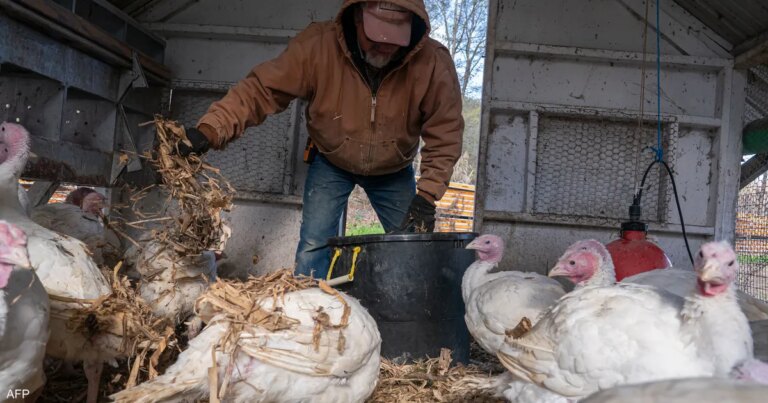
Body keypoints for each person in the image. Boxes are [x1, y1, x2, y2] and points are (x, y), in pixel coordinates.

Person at [176, 0, 464, 278]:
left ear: (412, 26)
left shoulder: (433, 62)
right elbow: (262, 90)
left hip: (394, 168)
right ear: (356, 16)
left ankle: (412, 316)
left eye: (394, 37)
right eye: (375, 35)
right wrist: (210, 130)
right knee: (313, 247)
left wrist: (427, 195)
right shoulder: (319, 46)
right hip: (332, 159)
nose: (384, 45)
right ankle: (310, 311)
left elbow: (446, 131)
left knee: (415, 247)